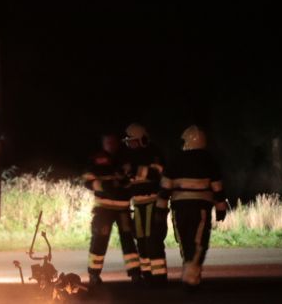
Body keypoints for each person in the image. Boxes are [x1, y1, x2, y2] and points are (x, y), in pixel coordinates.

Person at [158, 125, 228, 289]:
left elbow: (165, 186)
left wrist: (160, 210)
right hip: (201, 207)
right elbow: (217, 187)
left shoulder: (176, 159)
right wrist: (220, 207)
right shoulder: (209, 160)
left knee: (185, 241)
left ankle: (191, 274)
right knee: (199, 241)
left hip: (179, 208)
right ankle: (191, 277)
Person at [83, 133, 142, 287]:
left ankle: (135, 273)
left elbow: (133, 178)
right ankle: (94, 275)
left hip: (122, 208)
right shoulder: (97, 158)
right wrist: (103, 187)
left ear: (117, 143)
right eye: (107, 142)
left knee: (128, 240)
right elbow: (87, 179)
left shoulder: (126, 158)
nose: (110, 145)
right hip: (104, 208)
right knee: (99, 240)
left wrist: (125, 181)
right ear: (103, 144)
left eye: (113, 142)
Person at [121, 123, 168, 285]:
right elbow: (129, 181)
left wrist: (136, 170)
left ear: (142, 139)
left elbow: (158, 174)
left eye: (132, 141)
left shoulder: (153, 153)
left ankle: (159, 276)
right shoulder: (130, 157)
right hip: (138, 204)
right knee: (140, 240)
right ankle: (147, 274)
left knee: (153, 239)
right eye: (128, 142)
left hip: (153, 202)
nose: (130, 144)